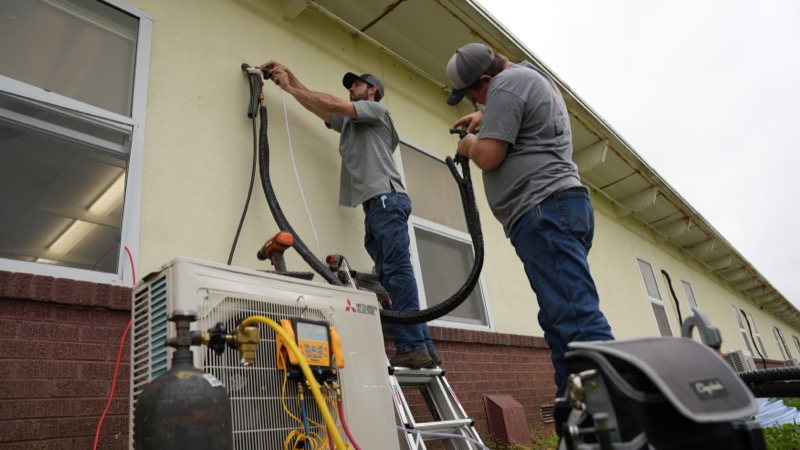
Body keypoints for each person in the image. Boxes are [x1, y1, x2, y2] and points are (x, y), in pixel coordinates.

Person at [444, 44, 614, 400]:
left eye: (473, 93)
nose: (473, 101)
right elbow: (525, 119)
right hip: (559, 206)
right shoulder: (530, 77)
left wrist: (470, 144)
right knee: (557, 320)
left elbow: (489, 156)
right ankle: (577, 413)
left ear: (486, 79)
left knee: (576, 318)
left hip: (543, 208)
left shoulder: (506, 84)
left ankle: (615, 411)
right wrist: (486, 116)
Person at [258, 60, 440, 369]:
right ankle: (422, 346)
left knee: (397, 273)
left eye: (356, 85)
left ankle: (413, 346)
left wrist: (289, 86)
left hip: (386, 201)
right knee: (393, 276)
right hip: (377, 205)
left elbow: (330, 102)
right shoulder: (353, 125)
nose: (350, 89)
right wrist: (289, 79)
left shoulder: (377, 112)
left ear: (372, 90)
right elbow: (319, 105)